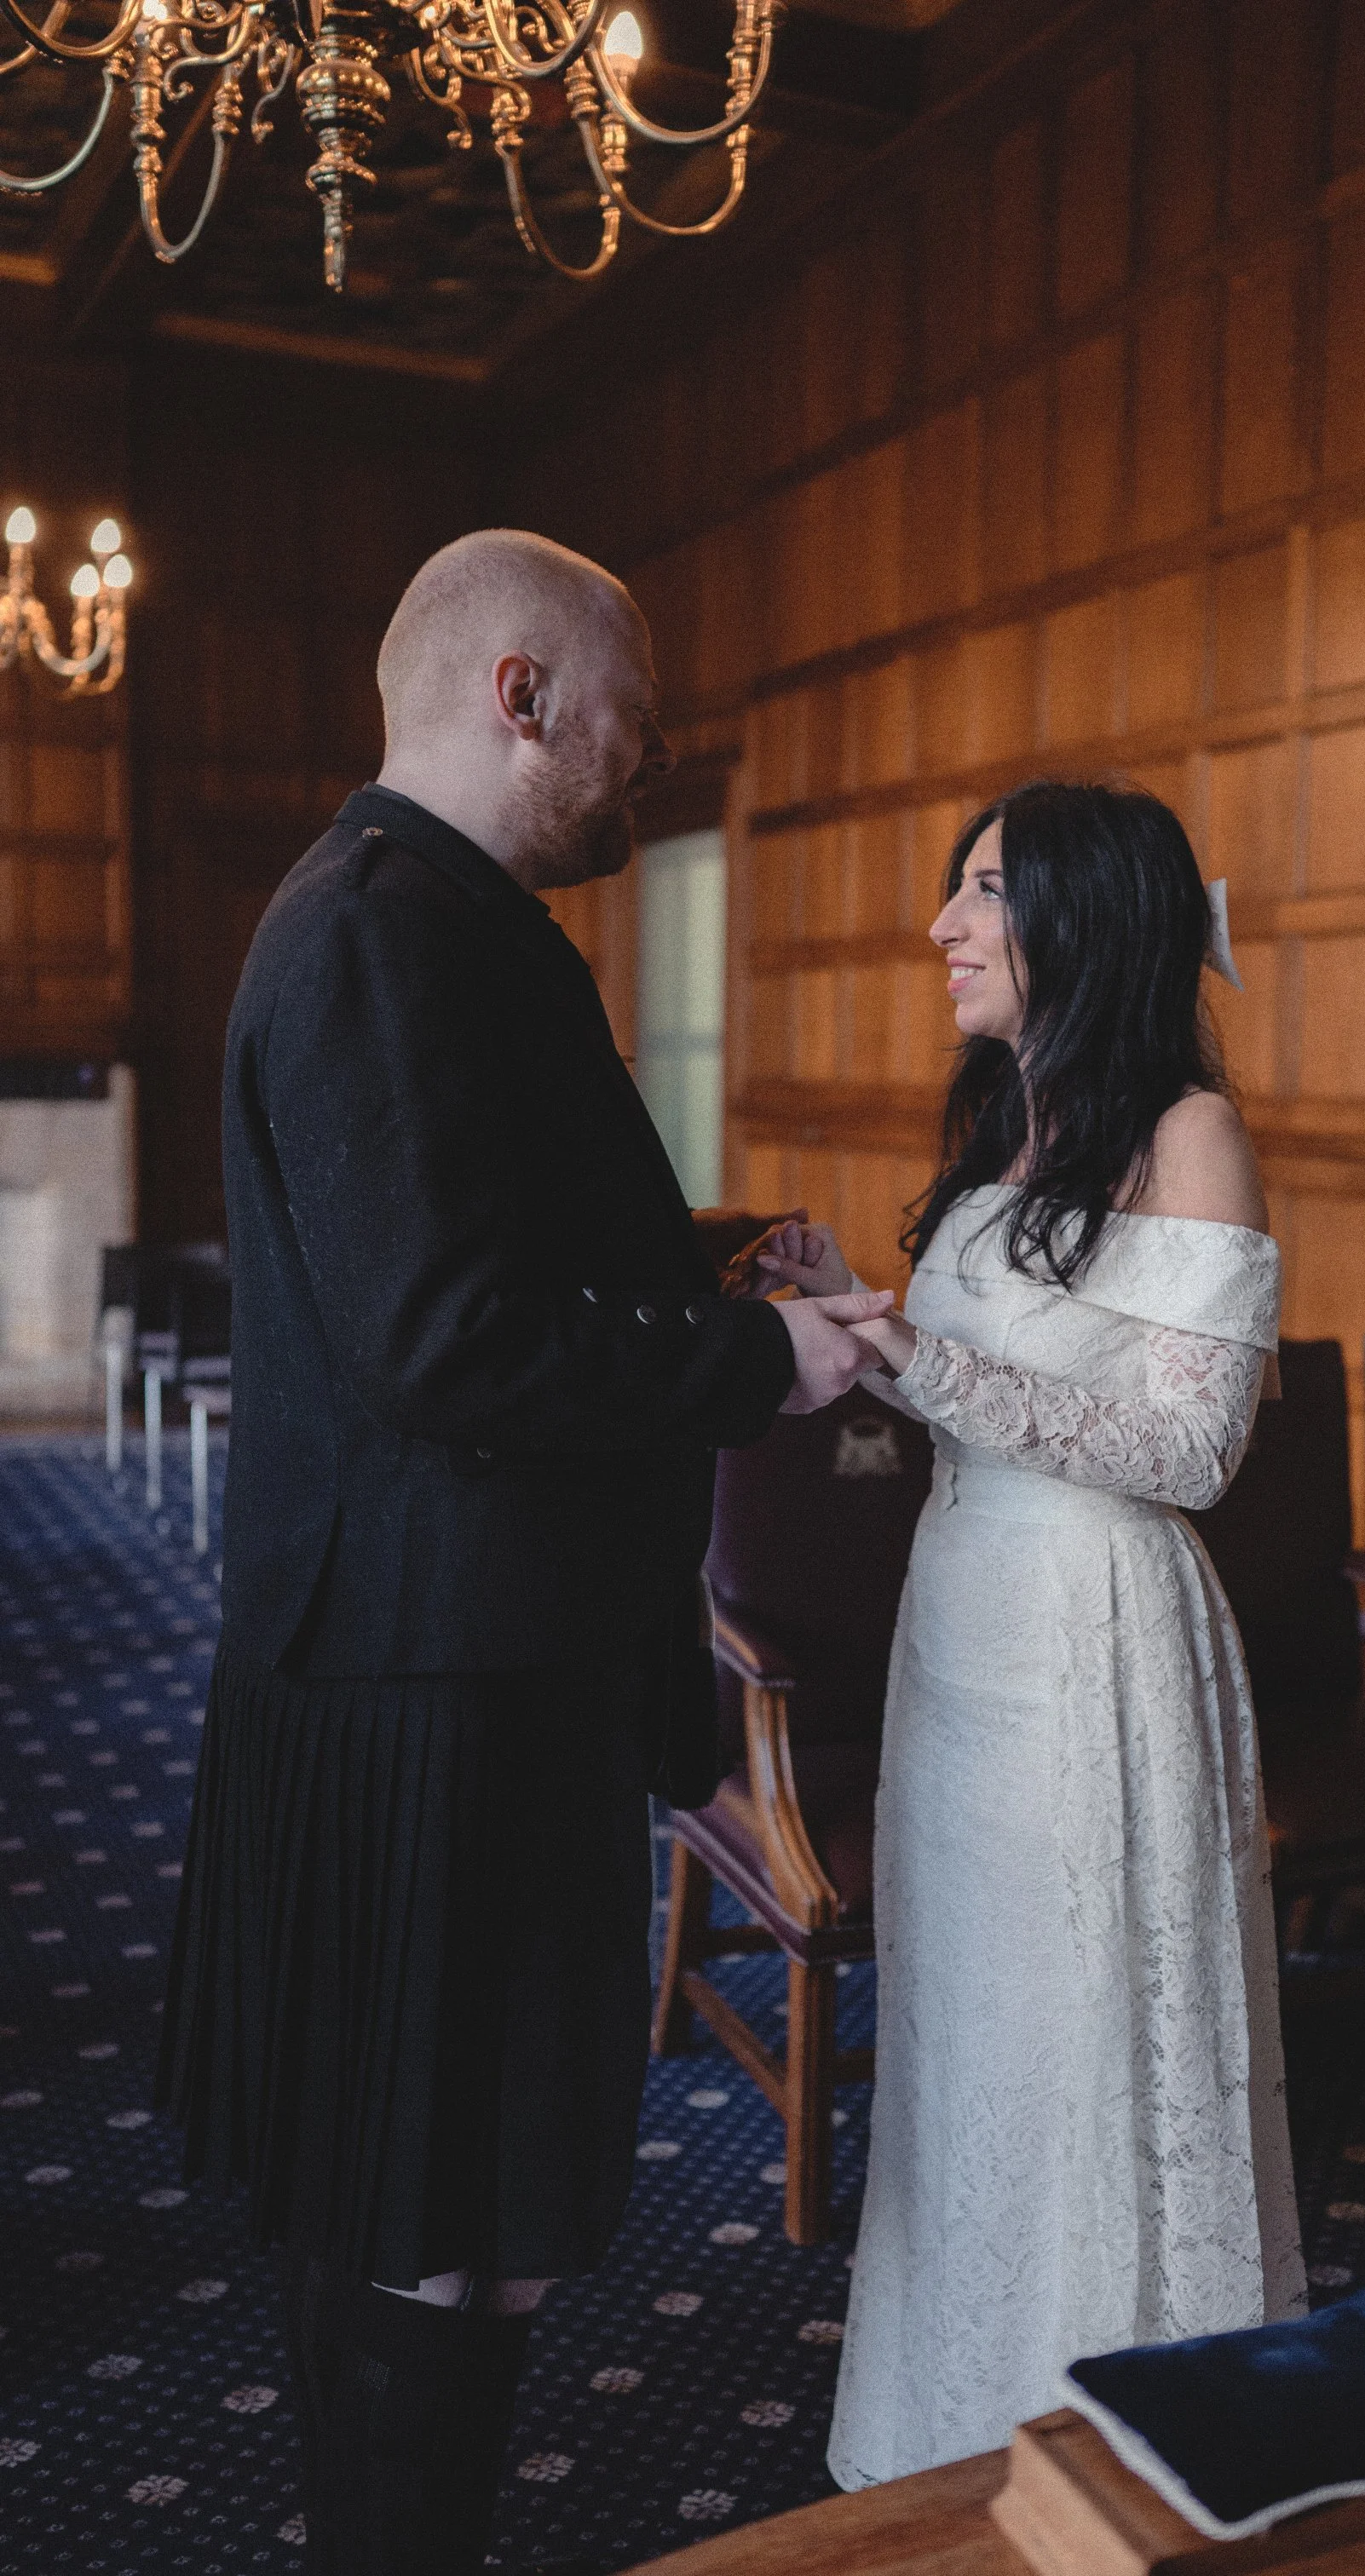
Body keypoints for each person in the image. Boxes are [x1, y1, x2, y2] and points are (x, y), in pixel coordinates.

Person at [155, 528, 891, 2575]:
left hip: (461, 1657)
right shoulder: (385, 926)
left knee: (421, 2212)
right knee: (435, 2228)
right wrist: (755, 1361)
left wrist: (706, 1267)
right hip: (430, 1688)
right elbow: (439, 1338)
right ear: (520, 692)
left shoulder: (448, 920)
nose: (639, 771)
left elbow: (488, 1249)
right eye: (630, 728)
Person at [756, 779, 1307, 2487]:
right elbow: (1014, 1396)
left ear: (1083, 916)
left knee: (1087, 2043)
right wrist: (859, 1299)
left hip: (1096, 1643)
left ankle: (1108, 2447)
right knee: (972, 2046)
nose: (945, 927)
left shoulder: (1189, 1130)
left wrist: (917, 1357)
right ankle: (951, 2427)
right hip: (965, 1628)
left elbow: (1188, 1454)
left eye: (981, 891)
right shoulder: (1012, 1125)